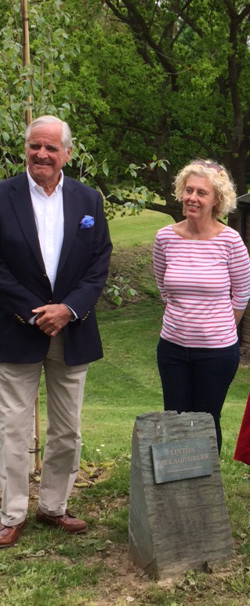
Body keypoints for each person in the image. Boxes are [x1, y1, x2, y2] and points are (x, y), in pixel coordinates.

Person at [0, 115, 112, 549]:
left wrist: (68, 309)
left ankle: (53, 507)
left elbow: (99, 261)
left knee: (68, 427)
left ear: (67, 152)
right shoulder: (3, 195)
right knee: (11, 426)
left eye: (51, 148)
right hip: (15, 329)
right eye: (35, 146)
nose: (42, 154)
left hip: (73, 329)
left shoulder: (88, 200)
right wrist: (34, 313)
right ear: (25, 149)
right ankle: (11, 514)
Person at [153, 159, 250, 453]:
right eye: (189, 190)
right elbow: (163, 287)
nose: (192, 198)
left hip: (216, 353)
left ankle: (205, 492)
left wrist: (215, 328)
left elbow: (242, 296)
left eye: (202, 193)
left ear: (216, 200)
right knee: (175, 420)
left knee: (206, 421)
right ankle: (177, 489)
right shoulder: (165, 237)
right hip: (172, 349)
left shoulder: (231, 242)